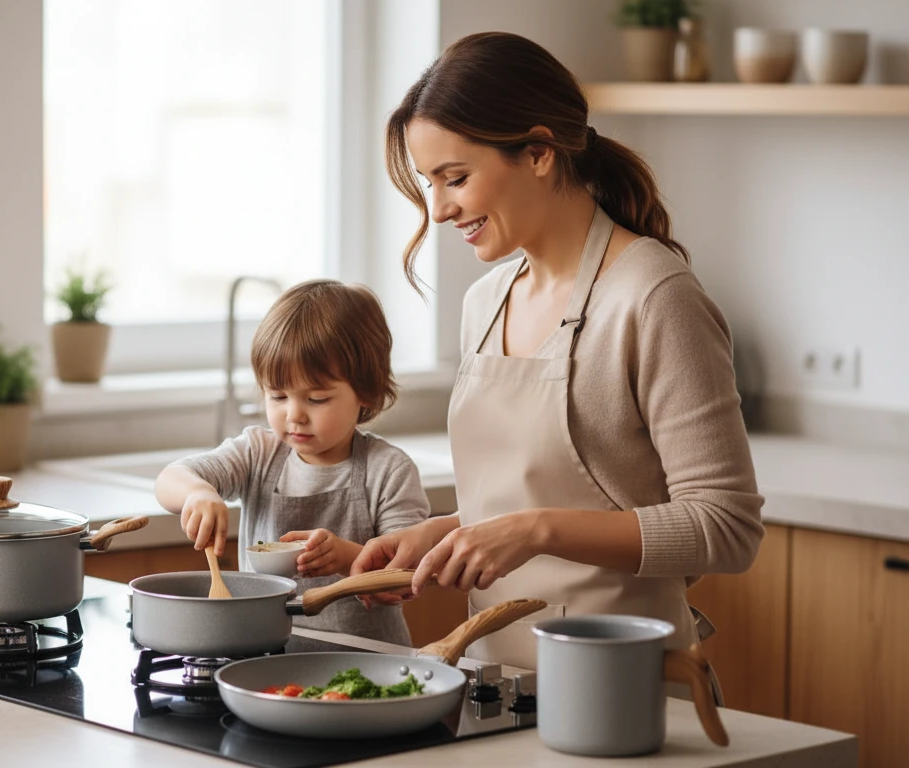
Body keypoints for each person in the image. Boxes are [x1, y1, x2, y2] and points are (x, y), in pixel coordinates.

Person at [350, 31, 765, 673]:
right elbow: (524, 499)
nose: (437, 210)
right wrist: (442, 534)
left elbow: (727, 527)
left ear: (539, 152)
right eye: (429, 184)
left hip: (622, 686)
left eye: (454, 178)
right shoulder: (485, 302)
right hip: (493, 675)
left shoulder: (652, 297)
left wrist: (535, 529)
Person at [155, 279, 430, 645]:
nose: (294, 415)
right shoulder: (258, 452)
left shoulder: (388, 471)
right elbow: (171, 478)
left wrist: (347, 557)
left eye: (316, 399)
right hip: (264, 650)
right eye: (278, 395)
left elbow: (407, 573)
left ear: (366, 392)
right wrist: (197, 494)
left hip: (368, 663)